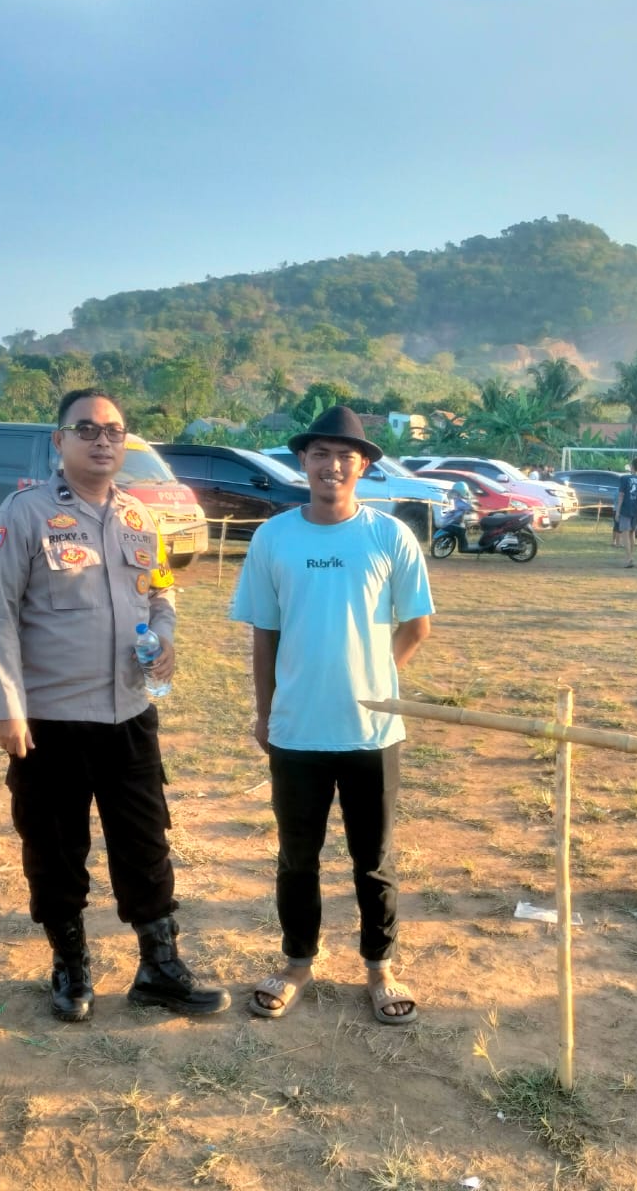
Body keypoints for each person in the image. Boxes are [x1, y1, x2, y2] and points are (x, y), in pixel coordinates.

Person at [0, 388, 228, 1022]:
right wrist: (4, 705)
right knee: (55, 847)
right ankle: (70, 965)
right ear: (59, 441)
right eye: (86, 429)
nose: (102, 441)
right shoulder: (25, 513)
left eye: (114, 431)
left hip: (129, 716)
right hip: (51, 721)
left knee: (145, 843)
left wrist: (165, 638)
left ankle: (159, 968)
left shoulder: (141, 518)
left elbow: (162, 593)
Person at [231, 405, 434, 1026]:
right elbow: (264, 635)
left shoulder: (389, 536)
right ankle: (297, 963)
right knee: (298, 857)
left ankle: (380, 968)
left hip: (372, 731)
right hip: (297, 729)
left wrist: (373, 675)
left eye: (346, 455)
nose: (333, 465)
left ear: (363, 465)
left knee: (373, 860)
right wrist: (266, 713)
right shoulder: (274, 538)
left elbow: (417, 624)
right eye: (320, 453)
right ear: (303, 461)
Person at [614, 457, 637, 568]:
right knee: (632, 533)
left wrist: (617, 511)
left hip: (625, 509)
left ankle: (629, 558)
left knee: (625, 533)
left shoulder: (624, 478)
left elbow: (621, 495)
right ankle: (630, 556)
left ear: (632, 466)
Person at [436, 481, 473, 551]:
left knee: (460, 531)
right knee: (450, 527)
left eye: (456, 492)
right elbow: (452, 502)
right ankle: (462, 546)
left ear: (461, 492)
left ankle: (464, 547)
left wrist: (467, 511)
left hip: (462, 521)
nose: (454, 494)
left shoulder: (465, 501)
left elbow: (469, 509)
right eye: (454, 492)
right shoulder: (457, 499)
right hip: (456, 519)